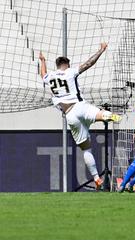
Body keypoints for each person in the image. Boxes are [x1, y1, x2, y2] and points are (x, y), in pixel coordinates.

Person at [39, 43, 121, 190]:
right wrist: (101, 50)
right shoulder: (70, 72)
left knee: (86, 149)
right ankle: (108, 115)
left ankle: (96, 179)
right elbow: (89, 64)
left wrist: (42, 61)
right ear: (67, 64)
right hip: (80, 106)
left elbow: (43, 74)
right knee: (99, 114)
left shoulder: (50, 77)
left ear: (57, 65)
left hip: (70, 115)